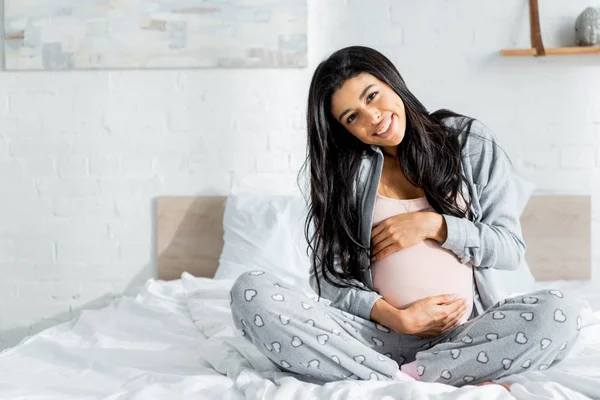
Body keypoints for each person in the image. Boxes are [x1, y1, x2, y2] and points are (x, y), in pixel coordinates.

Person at [229, 46, 581, 388]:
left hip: (465, 334)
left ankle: (394, 376)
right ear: (344, 129)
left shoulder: (465, 141)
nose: (373, 117)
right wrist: (395, 317)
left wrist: (436, 226)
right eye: (352, 117)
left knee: (559, 313)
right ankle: (415, 377)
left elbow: (509, 248)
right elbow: (327, 277)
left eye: (372, 96)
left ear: (391, 81)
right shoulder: (346, 174)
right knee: (250, 292)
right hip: (369, 336)